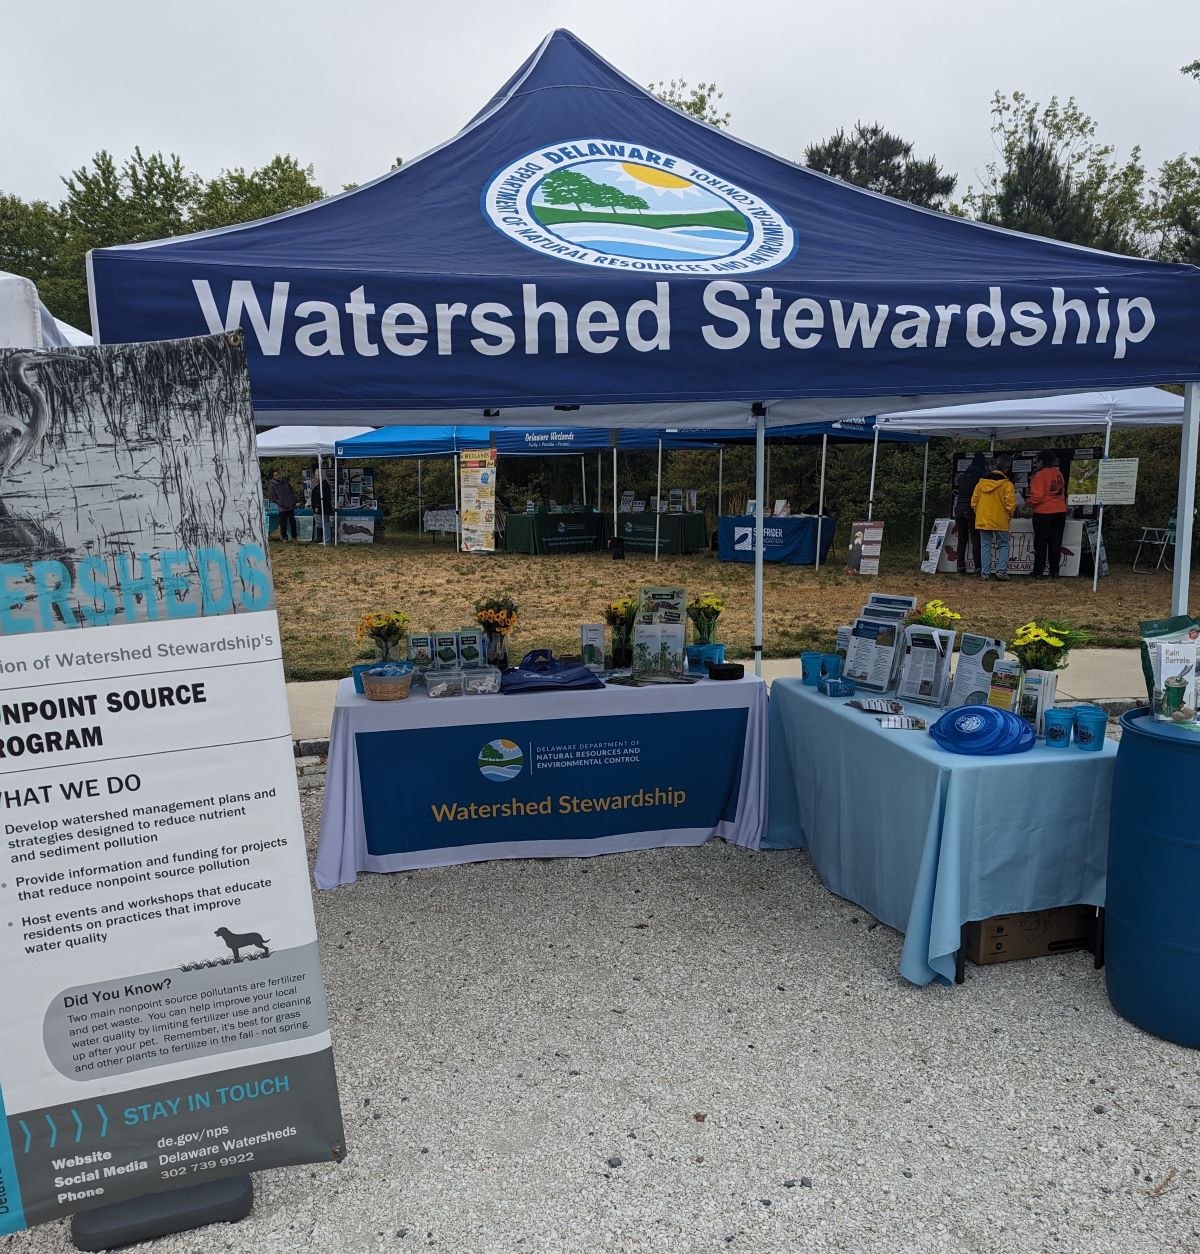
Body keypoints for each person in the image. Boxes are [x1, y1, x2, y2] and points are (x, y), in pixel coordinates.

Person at [971, 458, 1016, 581]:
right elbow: (1010, 505)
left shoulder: (980, 484)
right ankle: (1001, 572)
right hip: (1000, 520)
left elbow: (973, 502)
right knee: (1003, 545)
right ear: (1006, 469)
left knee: (985, 545)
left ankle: (985, 574)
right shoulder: (1007, 485)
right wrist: (1009, 516)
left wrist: (979, 513)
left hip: (983, 520)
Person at [1028, 451, 1068, 578]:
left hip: (1044, 512)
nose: (1036, 464)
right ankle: (1055, 571)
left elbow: (1037, 497)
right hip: (1060, 511)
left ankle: (1038, 572)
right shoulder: (1058, 473)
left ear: (1042, 462)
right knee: (1055, 543)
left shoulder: (1039, 475)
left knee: (1041, 543)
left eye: (1037, 461)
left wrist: (1027, 502)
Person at [953, 452, 986, 574]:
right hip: (971, 509)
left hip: (959, 509)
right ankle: (978, 567)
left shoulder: (963, 476)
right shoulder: (981, 476)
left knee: (962, 539)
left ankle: (960, 566)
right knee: (975, 539)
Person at [267, 469, 298, 541]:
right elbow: (272, 497)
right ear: (273, 477)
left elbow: (291, 491)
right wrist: (280, 502)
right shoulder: (272, 485)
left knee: (293, 522)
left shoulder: (285, 481)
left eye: (278, 474)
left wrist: (292, 500)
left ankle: (294, 537)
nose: (278, 476)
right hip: (282, 507)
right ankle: (284, 538)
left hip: (290, 506)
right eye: (276, 475)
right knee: (283, 524)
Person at [310, 470, 335, 544]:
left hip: (323, 507)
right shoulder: (323, 484)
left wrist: (317, 506)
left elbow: (321, 496)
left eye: (316, 474)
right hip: (323, 506)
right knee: (324, 523)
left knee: (325, 523)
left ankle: (327, 541)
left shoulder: (323, 484)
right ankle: (326, 540)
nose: (315, 476)